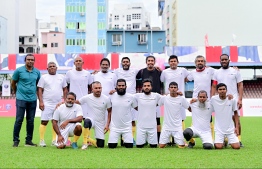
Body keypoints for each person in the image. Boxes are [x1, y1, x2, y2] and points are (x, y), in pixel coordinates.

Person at [211, 54, 244, 147]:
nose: (224, 61)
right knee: (222, 119)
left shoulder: (235, 71)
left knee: (236, 118)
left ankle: (238, 139)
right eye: (222, 60)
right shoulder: (217, 72)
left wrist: (240, 99)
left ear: (229, 60)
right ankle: (224, 138)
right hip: (221, 100)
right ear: (220, 61)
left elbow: (240, 85)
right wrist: (213, 98)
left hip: (232, 99)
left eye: (226, 59)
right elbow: (214, 85)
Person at [11, 54, 41, 147]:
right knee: (19, 120)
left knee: (31, 120)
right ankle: (16, 140)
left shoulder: (37, 72)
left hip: (32, 99)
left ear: (34, 61)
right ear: (25, 60)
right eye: (28, 59)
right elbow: (13, 82)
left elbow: (38, 84)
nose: (30, 61)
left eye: (32, 60)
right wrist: (16, 92)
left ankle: (29, 140)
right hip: (21, 99)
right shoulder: (19, 71)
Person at [37, 62, 68, 147]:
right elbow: (40, 90)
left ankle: (54, 140)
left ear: (56, 68)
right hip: (47, 103)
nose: (52, 67)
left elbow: (65, 89)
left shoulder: (61, 77)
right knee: (44, 121)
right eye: (50, 66)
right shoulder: (44, 77)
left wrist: (65, 100)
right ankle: (42, 140)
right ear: (47, 69)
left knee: (55, 121)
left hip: (58, 103)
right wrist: (41, 101)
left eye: (54, 66)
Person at [160, 55, 189, 145]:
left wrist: (180, 91)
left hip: (179, 98)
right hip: (169, 99)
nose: (173, 63)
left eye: (174, 61)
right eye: (171, 61)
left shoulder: (183, 70)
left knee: (181, 118)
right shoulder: (165, 72)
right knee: (169, 117)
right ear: (169, 63)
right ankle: (169, 140)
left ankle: (180, 138)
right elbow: (161, 81)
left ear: (177, 62)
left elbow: (189, 77)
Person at [186, 55, 215, 140]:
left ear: (205, 63)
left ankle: (211, 139)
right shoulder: (192, 73)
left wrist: (234, 69)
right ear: (195, 63)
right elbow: (184, 79)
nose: (200, 62)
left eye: (202, 61)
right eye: (198, 61)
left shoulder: (210, 70)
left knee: (209, 120)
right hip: (195, 100)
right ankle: (191, 141)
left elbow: (221, 72)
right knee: (195, 120)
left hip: (207, 100)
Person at [65, 56, 93, 146]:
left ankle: (87, 140)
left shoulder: (87, 74)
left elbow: (90, 87)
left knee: (85, 120)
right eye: (76, 61)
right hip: (72, 101)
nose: (78, 62)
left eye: (80, 61)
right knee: (71, 119)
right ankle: (69, 140)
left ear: (83, 62)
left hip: (84, 101)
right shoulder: (69, 73)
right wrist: (67, 98)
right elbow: (66, 86)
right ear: (74, 63)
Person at [77, 81, 112, 150]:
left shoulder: (106, 99)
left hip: (100, 122)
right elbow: (76, 103)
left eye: (100, 88)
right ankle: (85, 143)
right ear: (92, 89)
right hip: (91, 120)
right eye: (96, 88)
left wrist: (107, 125)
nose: (98, 90)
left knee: (100, 145)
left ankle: (90, 140)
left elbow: (109, 111)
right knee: (86, 121)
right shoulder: (87, 97)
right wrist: (62, 103)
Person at [136, 55, 163, 143]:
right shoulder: (142, 72)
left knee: (157, 120)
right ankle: (144, 139)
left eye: (152, 61)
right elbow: (135, 80)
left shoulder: (159, 71)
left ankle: (158, 139)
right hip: (145, 99)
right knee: (145, 119)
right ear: (146, 62)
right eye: (149, 61)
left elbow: (162, 81)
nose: (150, 62)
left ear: (154, 62)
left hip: (156, 99)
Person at [114, 57, 139, 145]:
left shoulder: (134, 71)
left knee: (132, 120)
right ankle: (122, 139)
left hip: (131, 98)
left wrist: (156, 68)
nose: (125, 63)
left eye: (127, 62)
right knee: (120, 119)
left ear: (130, 63)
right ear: (121, 63)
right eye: (124, 62)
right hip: (120, 97)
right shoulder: (117, 71)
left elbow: (145, 71)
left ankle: (131, 139)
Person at [108, 79, 138, 148]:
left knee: (129, 146)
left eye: (123, 85)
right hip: (114, 127)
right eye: (119, 85)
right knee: (111, 146)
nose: (121, 87)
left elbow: (137, 108)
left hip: (127, 127)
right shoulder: (111, 96)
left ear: (126, 87)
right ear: (116, 87)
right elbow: (109, 110)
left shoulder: (131, 97)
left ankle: (124, 139)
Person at [158, 82, 189, 148]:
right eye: (171, 87)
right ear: (168, 89)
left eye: (175, 87)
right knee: (161, 146)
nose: (173, 89)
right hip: (166, 126)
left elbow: (189, 107)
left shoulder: (181, 98)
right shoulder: (165, 98)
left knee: (182, 146)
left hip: (177, 126)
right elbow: (158, 104)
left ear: (177, 89)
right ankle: (168, 141)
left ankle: (186, 141)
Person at [211, 83, 240, 149]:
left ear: (226, 90)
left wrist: (237, 127)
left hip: (230, 129)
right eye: (220, 89)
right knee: (218, 147)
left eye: (224, 89)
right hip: (219, 129)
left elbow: (236, 113)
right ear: (217, 91)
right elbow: (204, 101)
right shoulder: (213, 99)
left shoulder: (232, 99)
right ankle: (224, 140)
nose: (222, 91)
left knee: (237, 147)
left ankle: (226, 139)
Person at [134, 79, 161, 148]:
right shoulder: (137, 96)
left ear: (151, 87)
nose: (146, 87)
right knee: (139, 146)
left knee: (153, 146)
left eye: (148, 86)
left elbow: (167, 98)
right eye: (145, 86)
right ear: (142, 87)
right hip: (141, 127)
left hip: (152, 127)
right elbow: (126, 97)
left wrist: (177, 93)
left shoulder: (156, 96)